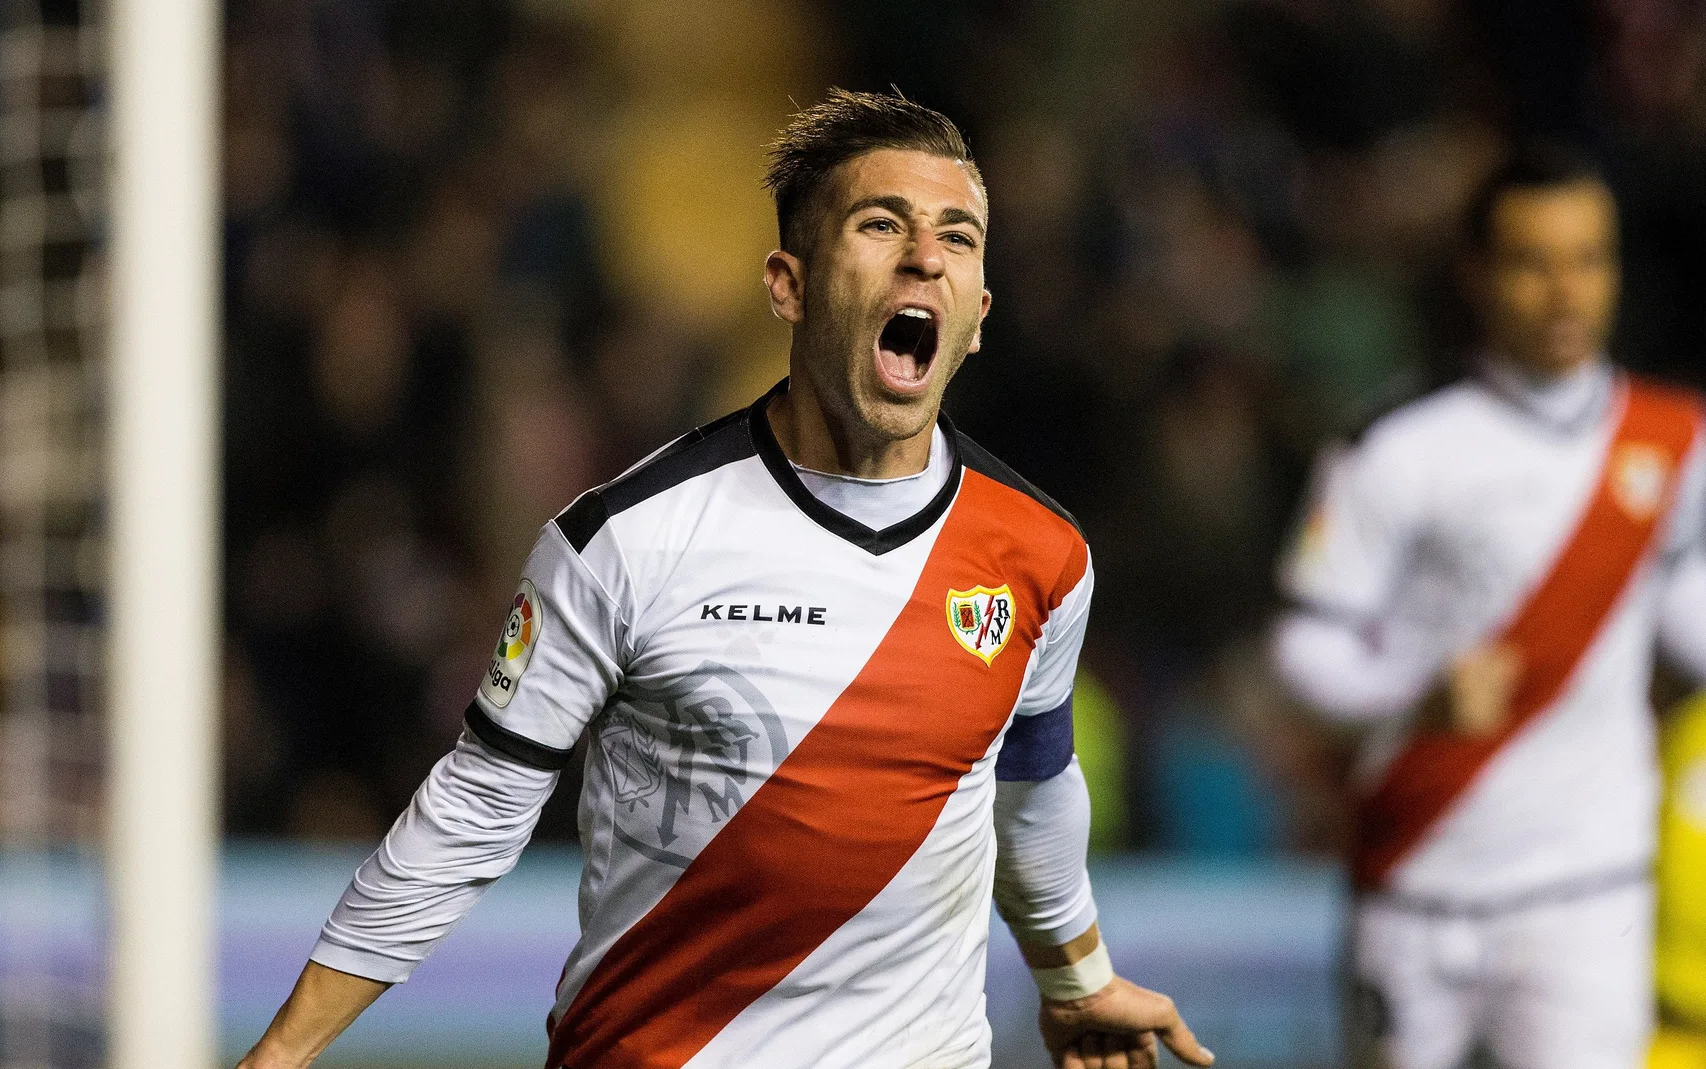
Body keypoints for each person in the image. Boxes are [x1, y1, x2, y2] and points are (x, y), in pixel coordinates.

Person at [236, 89, 1213, 1069]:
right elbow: (474, 811)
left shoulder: (1041, 552)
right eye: (882, 225)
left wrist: (1077, 978)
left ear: (979, 316)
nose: (925, 255)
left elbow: (1032, 786)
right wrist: (277, 1055)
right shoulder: (627, 541)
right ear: (789, 284)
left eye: (957, 237)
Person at [1272, 141, 1706, 1069]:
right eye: (1534, 263)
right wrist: (1416, 695)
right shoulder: (1395, 447)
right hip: (1417, 874)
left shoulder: (1676, 435)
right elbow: (1302, 649)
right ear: (1478, 274)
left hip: (1588, 885)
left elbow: (1677, 567)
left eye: (1589, 260)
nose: (1566, 292)